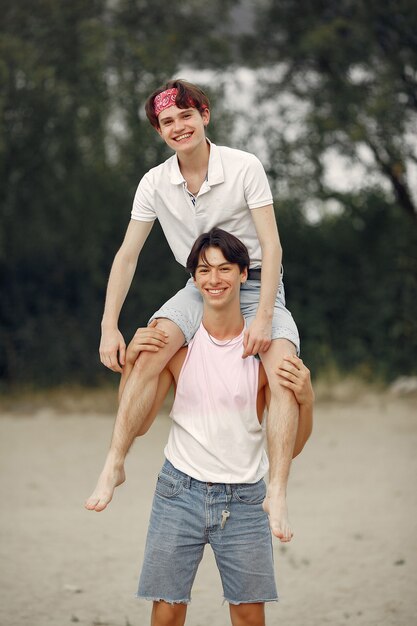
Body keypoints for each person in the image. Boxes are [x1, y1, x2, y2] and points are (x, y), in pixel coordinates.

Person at [89, 79, 301, 540]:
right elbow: (127, 256)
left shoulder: (244, 166)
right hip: (198, 285)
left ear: (204, 115)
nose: (179, 126)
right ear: (160, 131)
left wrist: (263, 317)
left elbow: (272, 244)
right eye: (168, 121)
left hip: (257, 281)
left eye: (187, 115)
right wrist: (110, 327)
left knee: (284, 370)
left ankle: (278, 491)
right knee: (150, 348)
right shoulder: (154, 182)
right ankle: (115, 462)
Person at [87, 229, 313, 626]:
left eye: (225, 269)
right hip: (179, 492)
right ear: (193, 280)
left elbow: (292, 447)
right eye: (205, 270)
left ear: (245, 274)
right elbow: (137, 424)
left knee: (247, 617)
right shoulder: (180, 353)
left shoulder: (263, 359)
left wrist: (306, 399)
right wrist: (130, 367)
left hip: (246, 499)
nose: (215, 279)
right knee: (168, 613)